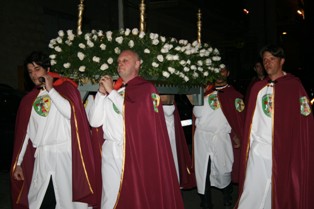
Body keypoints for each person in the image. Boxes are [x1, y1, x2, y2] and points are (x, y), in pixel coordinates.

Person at [89, 49, 184, 209]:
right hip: (110, 150)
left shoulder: (146, 89)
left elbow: (136, 114)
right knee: (109, 198)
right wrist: (101, 93)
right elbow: (94, 121)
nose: (120, 64)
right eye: (118, 62)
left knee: (134, 197)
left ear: (138, 64)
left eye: (125, 60)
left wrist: (111, 93)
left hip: (133, 150)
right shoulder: (115, 90)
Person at [10, 51, 96, 209]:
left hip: (64, 155)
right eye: (30, 72)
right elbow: (26, 133)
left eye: (37, 69)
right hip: (42, 157)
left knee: (66, 201)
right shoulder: (29, 100)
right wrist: (19, 162)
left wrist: (51, 90)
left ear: (47, 68)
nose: (34, 75)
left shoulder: (65, 89)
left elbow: (71, 113)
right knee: (40, 201)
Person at [236, 44, 314, 209]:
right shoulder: (258, 88)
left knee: (276, 193)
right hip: (258, 149)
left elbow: (305, 119)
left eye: (272, 59)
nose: (268, 63)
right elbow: (250, 120)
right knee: (251, 190)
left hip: (281, 150)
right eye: (265, 60)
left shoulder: (294, 86)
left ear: (282, 61)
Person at [190, 65, 245, 209]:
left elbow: (238, 120)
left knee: (224, 170)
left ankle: (227, 197)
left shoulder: (235, 95)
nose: (219, 74)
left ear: (227, 72)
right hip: (202, 138)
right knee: (203, 171)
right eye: (216, 71)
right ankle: (206, 202)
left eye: (222, 70)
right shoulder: (205, 91)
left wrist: (237, 135)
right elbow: (197, 113)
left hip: (221, 138)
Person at [161, 95, 196, 189]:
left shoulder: (168, 102)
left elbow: (168, 109)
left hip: (168, 137)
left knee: (169, 164)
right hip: (159, 137)